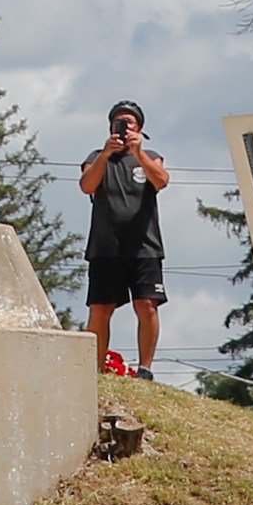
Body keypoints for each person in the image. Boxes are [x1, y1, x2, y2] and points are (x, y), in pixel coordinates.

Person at [80, 102, 167, 380]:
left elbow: (162, 180)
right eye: (118, 122)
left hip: (144, 245)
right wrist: (107, 153)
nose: (124, 127)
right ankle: (95, 370)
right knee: (100, 308)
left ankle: (145, 369)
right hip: (105, 247)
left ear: (139, 128)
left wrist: (138, 151)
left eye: (129, 122)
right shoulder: (97, 157)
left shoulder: (150, 156)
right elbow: (87, 185)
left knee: (147, 304)